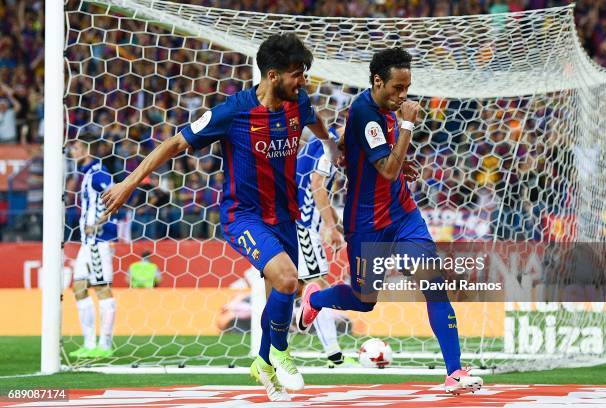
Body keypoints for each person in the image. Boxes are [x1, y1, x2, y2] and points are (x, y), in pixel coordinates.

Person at [101, 33, 341, 402]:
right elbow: (175, 143)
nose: (303, 81)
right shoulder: (233, 111)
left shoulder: (300, 103)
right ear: (273, 75)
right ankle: (280, 354)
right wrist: (129, 184)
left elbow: (320, 126)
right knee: (289, 280)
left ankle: (262, 363)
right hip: (242, 216)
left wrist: (332, 146)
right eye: (297, 74)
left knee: (279, 291)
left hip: (284, 215)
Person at [296, 48, 483, 394]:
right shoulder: (366, 112)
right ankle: (315, 300)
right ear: (377, 82)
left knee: (432, 282)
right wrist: (409, 126)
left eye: (407, 88)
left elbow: (380, 160)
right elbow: (385, 168)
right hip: (367, 223)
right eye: (397, 88)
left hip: (403, 214)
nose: (403, 96)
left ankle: (454, 372)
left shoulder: (386, 108)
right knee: (365, 299)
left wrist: (400, 161)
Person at [295, 126, 357, 368]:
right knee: (316, 288)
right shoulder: (329, 149)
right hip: (303, 228)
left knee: (298, 288)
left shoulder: (321, 142)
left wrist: (337, 226)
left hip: (299, 225)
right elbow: (317, 187)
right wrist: (330, 228)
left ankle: (274, 350)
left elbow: (319, 194)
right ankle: (334, 356)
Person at [68, 135, 118, 359]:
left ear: (87, 149)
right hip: (86, 243)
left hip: (98, 241)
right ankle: (89, 344)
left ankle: (105, 344)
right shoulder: (87, 174)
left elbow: (116, 198)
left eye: (76, 147)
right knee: (79, 288)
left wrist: (99, 224)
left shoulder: (99, 173)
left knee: (101, 289)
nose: (72, 151)